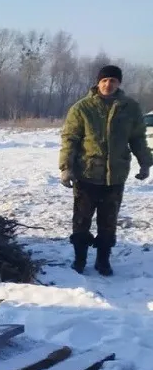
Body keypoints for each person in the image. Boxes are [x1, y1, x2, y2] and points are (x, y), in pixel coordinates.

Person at [59, 64, 151, 276]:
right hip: (87, 175)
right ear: (97, 83)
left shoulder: (130, 108)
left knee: (108, 222)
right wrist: (66, 168)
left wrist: (145, 163)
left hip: (115, 176)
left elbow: (138, 138)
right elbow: (70, 139)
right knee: (81, 220)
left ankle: (103, 260)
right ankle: (80, 259)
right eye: (104, 81)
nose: (108, 84)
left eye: (113, 81)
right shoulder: (82, 108)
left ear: (119, 83)